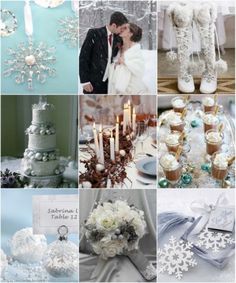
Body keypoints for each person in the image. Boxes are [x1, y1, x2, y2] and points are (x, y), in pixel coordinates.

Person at [79, 12, 128, 94]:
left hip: (109, 84)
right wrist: (85, 81)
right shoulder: (94, 33)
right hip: (93, 83)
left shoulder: (118, 38)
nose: (122, 30)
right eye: (121, 28)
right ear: (114, 25)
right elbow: (84, 57)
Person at [108, 23, 148, 94]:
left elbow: (140, 70)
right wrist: (115, 65)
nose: (121, 29)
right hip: (115, 86)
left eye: (125, 28)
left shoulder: (135, 50)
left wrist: (125, 62)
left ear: (131, 33)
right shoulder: (117, 48)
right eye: (122, 27)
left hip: (131, 88)